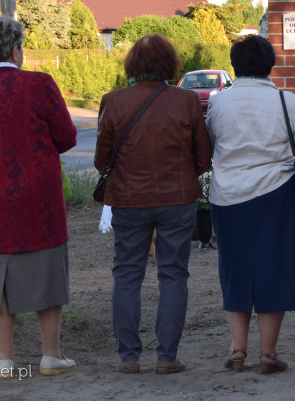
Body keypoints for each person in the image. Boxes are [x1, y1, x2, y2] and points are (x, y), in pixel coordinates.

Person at [0, 16, 78, 378]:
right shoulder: (41, 84)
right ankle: (51, 354)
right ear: (16, 49)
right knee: (47, 266)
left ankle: (5, 358)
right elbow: (67, 137)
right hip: (39, 196)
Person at [95, 34, 211, 374]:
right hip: (177, 199)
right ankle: (166, 357)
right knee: (173, 275)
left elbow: (102, 159)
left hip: (129, 199)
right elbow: (203, 157)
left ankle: (129, 357)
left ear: (132, 65)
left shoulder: (113, 102)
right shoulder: (186, 100)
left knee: (127, 274)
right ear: (170, 65)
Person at [206, 34, 295, 374]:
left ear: (234, 66)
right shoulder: (288, 101)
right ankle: (268, 353)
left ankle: (238, 350)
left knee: (234, 269)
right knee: (275, 270)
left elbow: (211, 144)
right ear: (271, 64)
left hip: (228, 196)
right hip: (278, 192)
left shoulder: (219, 102)